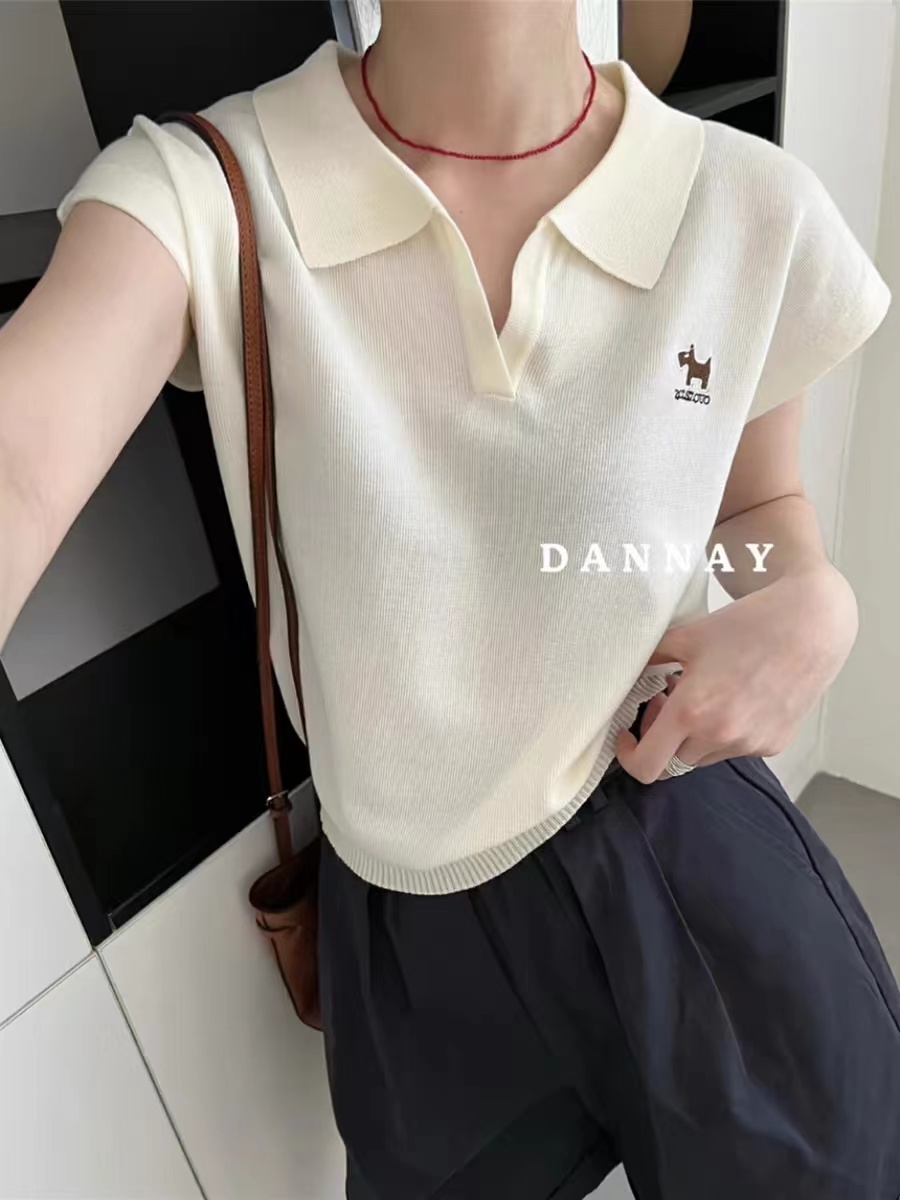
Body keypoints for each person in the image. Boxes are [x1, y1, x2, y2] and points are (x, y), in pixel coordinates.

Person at [2, 2, 899, 1196]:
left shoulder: (747, 203)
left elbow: (756, 512)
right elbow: (20, 466)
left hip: (678, 834)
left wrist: (817, 599)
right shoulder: (207, 192)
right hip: (410, 924)